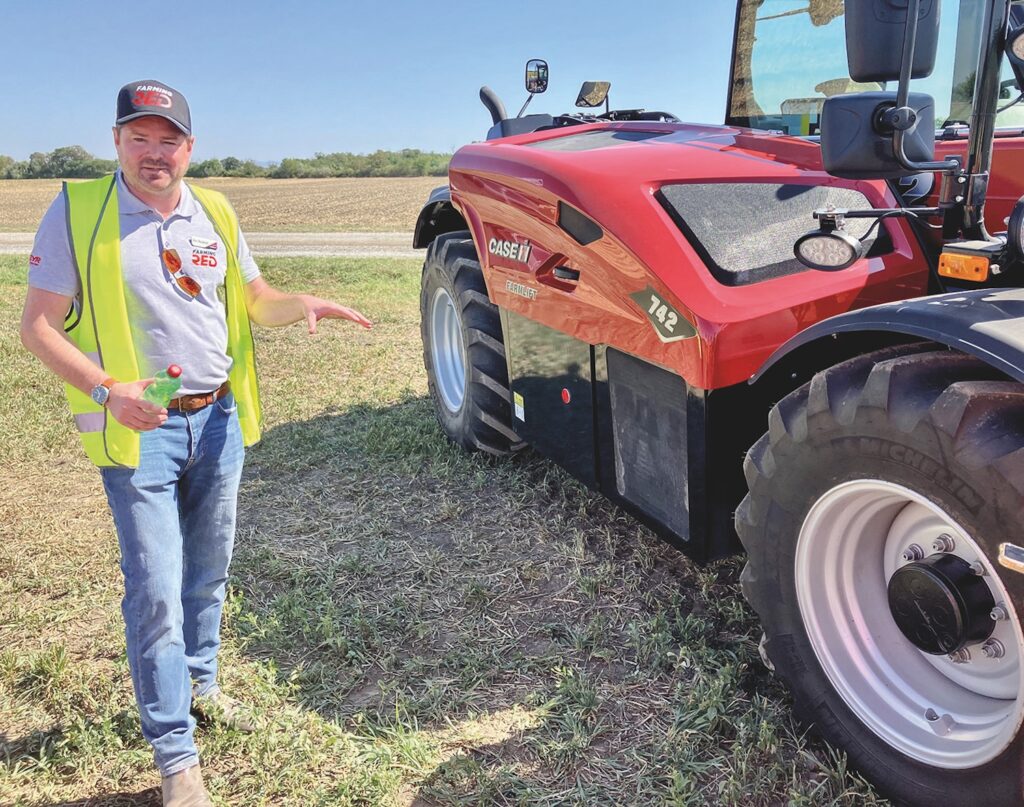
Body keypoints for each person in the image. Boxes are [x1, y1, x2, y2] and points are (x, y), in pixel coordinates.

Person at [19, 79, 372, 806]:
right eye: (140, 137)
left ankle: (202, 684)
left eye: (169, 138)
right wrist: (106, 391)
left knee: (207, 572)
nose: (155, 153)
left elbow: (252, 299)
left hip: (216, 423)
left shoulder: (214, 210)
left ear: (191, 145)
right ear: (116, 140)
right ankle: (178, 759)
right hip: (137, 427)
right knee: (154, 590)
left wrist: (296, 304)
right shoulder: (79, 213)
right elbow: (38, 327)